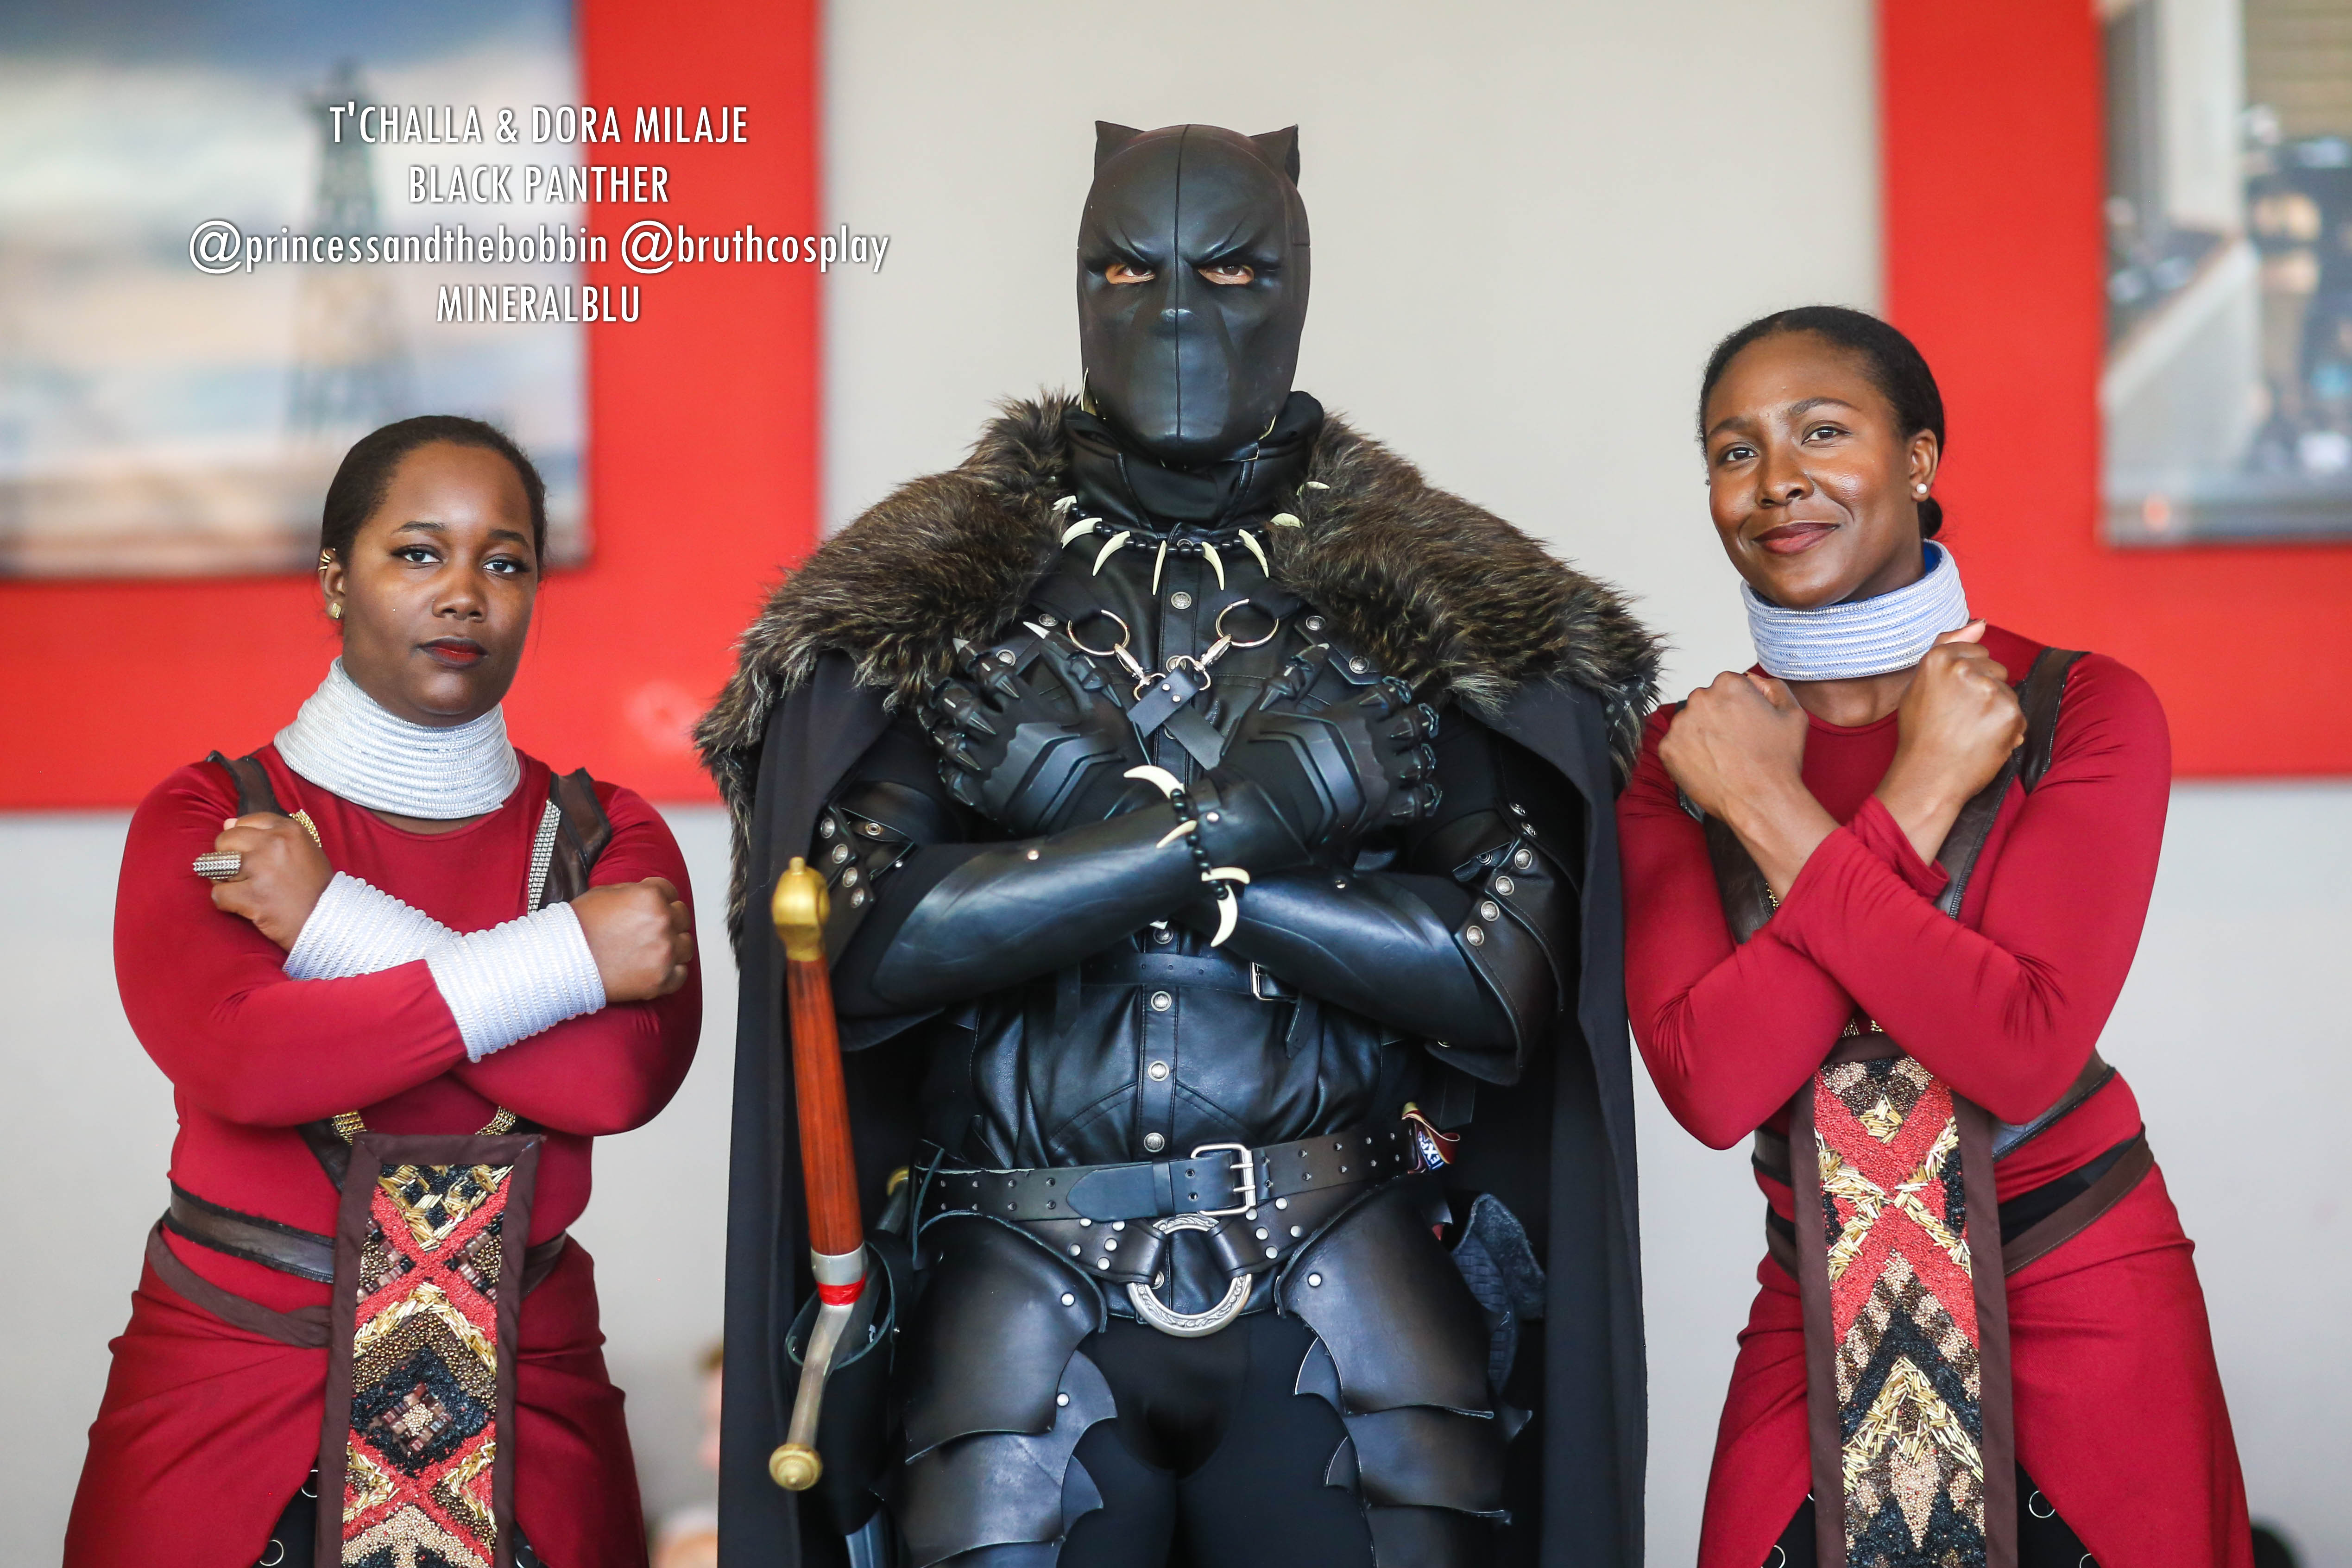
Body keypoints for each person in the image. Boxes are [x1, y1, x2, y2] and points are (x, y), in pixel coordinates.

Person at [697, 122, 1661, 1567]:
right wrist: (1230, 829)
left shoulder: (1432, 593)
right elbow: (850, 951)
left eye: (1225, 268)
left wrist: (1105, 833)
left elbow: (1501, 977)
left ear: (1295, 283)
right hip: (1008, 1309)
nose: (1173, 313)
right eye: (1123, 268)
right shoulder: (930, 592)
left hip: (1349, 1297)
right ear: (1076, 283)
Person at [1619, 307, 2251, 1568]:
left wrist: (1774, 815)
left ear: (1917, 459)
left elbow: (2013, 1049)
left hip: (2077, 1291)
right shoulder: (1690, 761)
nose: (1774, 478)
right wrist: (1893, 799)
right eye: (1730, 451)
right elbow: (1713, 1081)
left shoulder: (2074, 710)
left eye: (1820, 431)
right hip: (1811, 1305)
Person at [67, 416, 702, 1568]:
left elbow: (611, 1079)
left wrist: (327, 926)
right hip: (234, 1389)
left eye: (503, 561)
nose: (463, 592)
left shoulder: (611, 831)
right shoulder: (210, 818)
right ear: (332, 578)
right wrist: (569, 961)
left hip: (531, 1397)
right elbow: (250, 1062)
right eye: (418, 552)